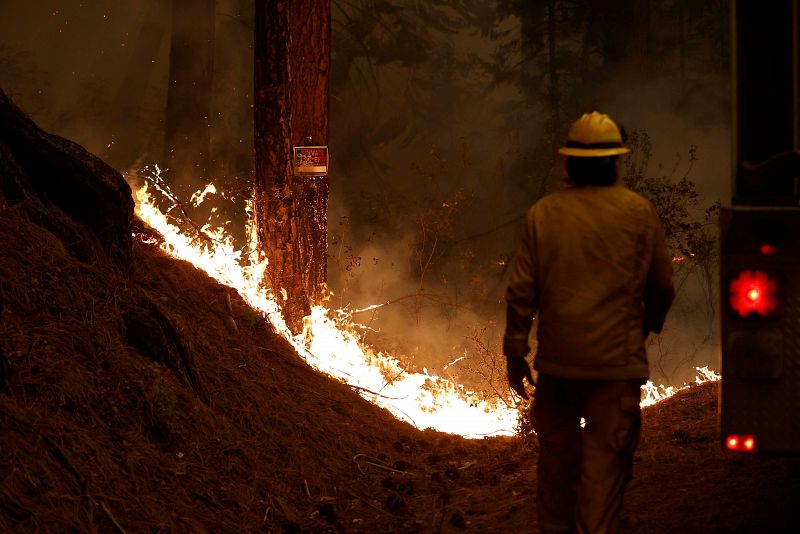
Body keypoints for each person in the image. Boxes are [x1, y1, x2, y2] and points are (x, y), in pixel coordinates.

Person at [503, 111, 675, 534]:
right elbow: (662, 286)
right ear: (616, 162)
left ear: (570, 164)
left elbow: (521, 291)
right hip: (616, 371)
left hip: (559, 368)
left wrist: (515, 352)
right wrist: (646, 327)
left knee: (557, 474)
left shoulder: (544, 214)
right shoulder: (639, 213)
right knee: (603, 477)